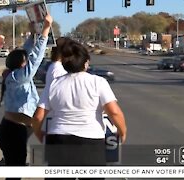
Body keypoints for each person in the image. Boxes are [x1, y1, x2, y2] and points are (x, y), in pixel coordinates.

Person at [32, 40, 127, 168]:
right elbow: (114, 112)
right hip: (91, 141)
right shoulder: (98, 82)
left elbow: (38, 116)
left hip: (58, 139)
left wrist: (39, 134)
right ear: (86, 62)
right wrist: (122, 132)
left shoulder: (53, 84)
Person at [0, 14, 52, 175]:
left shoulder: (14, 74)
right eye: (24, 61)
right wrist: (45, 30)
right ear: (21, 64)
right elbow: (35, 59)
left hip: (14, 130)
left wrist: (33, 34)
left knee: (14, 171)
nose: (26, 62)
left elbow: (27, 52)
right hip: (14, 132)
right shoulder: (19, 77)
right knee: (15, 174)